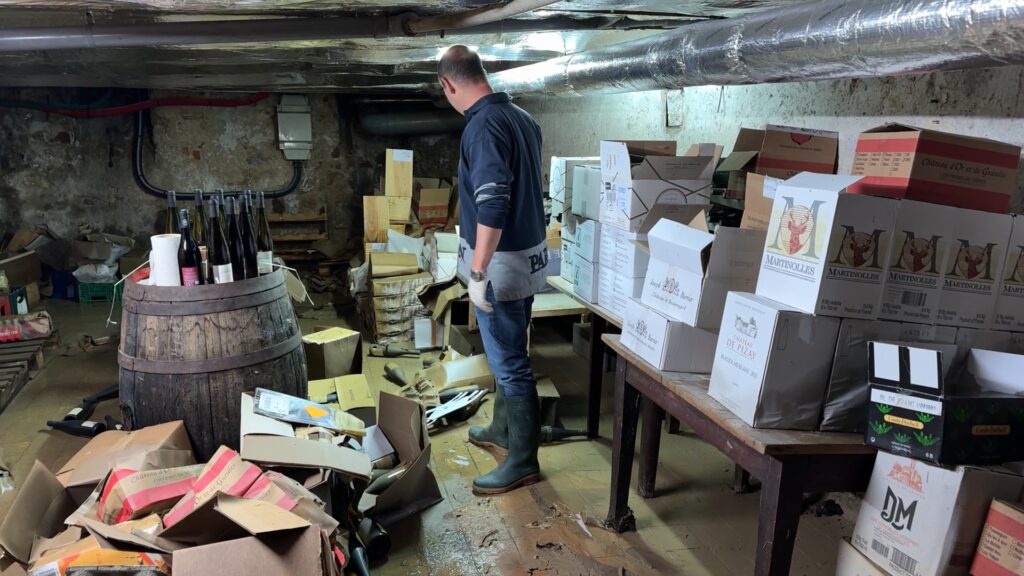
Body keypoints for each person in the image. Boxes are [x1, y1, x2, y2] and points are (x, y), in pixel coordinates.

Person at [438, 45, 548, 495]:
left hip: (499, 266)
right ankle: (503, 431)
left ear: (448, 84)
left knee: (510, 362)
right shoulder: (523, 118)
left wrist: (477, 271)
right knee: (510, 350)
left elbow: (494, 202)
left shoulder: (482, 127)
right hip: (527, 259)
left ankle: (522, 461)